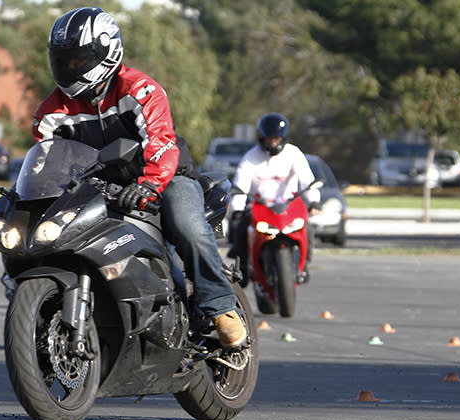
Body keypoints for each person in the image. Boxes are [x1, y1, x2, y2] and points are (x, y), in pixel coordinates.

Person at [25, 6, 246, 348]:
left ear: (107, 51)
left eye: (79, 60)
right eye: (64, 60)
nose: (70, 68)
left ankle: (220, 308)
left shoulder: (139, 90)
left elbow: (160, 143)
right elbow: (43, 164)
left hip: (164, 178)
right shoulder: (51, 112)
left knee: (188, 225)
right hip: (97, 188)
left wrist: (148, 183)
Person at [228, 113, 321, 286]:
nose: (273, 142)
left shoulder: (294, 154)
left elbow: (307, 181)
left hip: (289, 206)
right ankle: (242, 269)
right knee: (240, 228)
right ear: (262, 138)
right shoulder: (251, 157)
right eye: (269, 139)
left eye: (276, 138)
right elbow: (240, 184)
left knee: (306, 227)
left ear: (283, 138)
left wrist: (314, 201)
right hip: (260, 205)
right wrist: (238, 210)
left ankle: (304, 265)